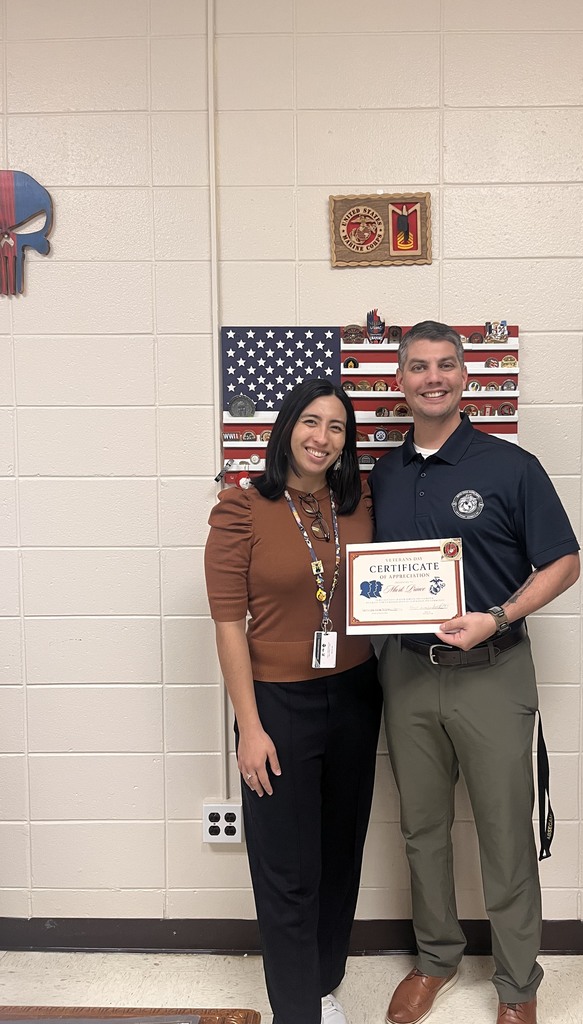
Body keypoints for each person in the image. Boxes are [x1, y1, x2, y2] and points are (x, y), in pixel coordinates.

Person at [368, 322, 580, 1024]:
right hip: (406, 673)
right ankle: (436, 959)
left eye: (447, 365)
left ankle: (518, 986)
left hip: (493, 668)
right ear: (399, 381)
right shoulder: (386, 474)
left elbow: (564, 562)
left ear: (467, 377)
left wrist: (498, 615)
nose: (434, 377)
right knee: (422, 828)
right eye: (419, 367)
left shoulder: (510, 466)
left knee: (503, 831)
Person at [204, 378, 382, 1024]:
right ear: (286, 428)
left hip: (359, 696)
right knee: (287, 866)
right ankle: (295, 1011)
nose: (322, 437)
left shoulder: (358, 501)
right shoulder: (241, 509)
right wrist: (249, 728)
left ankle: (323, 982)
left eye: (337, 427)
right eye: (311, 422)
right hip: (276, 703)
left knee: (341, 851)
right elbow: (228, 626)